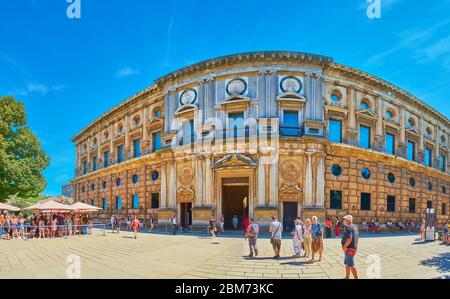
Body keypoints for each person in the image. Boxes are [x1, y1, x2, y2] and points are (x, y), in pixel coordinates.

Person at [342, 215, 359, 279]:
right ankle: (347, 277)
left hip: (349, 249)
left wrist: (344, 247)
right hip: (353, 248)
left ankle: (356, 278)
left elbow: (349, 238)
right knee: (347, 263)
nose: (343, 220)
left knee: (351, 265)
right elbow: (357, 238)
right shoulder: (355, 227)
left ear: (349, 220)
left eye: (345, 219)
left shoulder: (349, 227)